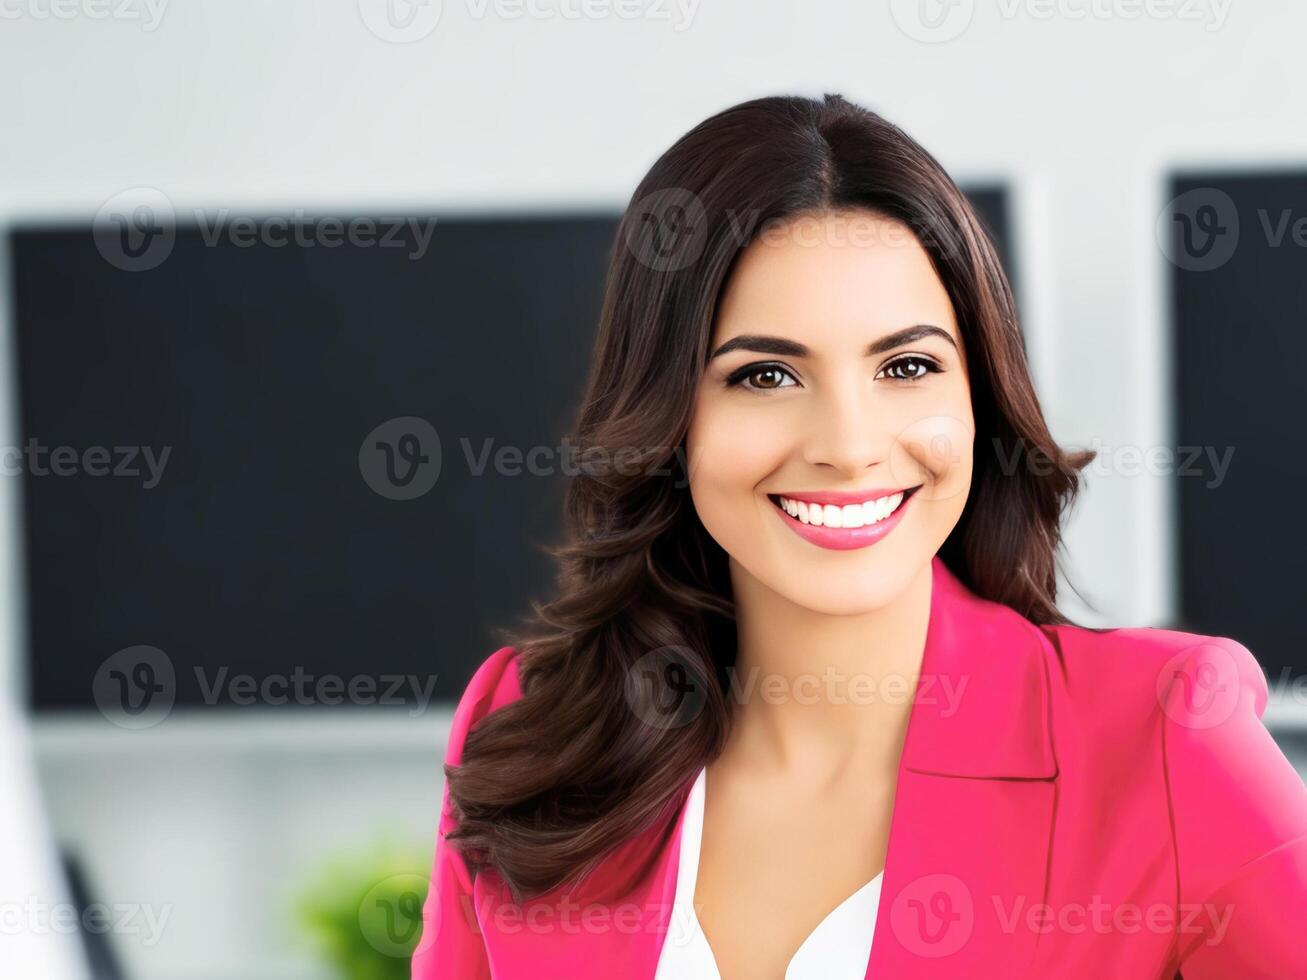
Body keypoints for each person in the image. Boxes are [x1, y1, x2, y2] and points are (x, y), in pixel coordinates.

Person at [411, 94, 1307, 979]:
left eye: (906, 365)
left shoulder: (1164, 735)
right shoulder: (531, 726)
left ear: (978, 395)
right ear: (667, 416)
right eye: (764, 375)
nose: (847, 446)